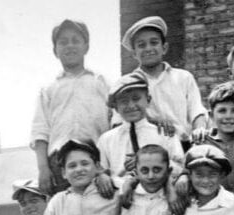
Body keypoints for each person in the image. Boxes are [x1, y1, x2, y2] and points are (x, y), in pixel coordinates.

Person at [30, 19, 111, 194]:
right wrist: (43, 169)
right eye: (63, 42)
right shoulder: (49, 90)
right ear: (55, 51)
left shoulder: (101, 82)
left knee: (100, 211)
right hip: (59, 164)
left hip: (96, 159)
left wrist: (106, 165)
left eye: (76, 40)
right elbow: (40, 132)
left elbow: (116, 122)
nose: (70, 46)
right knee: (65, 213)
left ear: (86, 47)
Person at [121, 15, 208, 144]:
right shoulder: (128, 84)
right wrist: (153, 122)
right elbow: (121, 120)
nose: (148, 48)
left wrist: (200, 129)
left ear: (164, 48)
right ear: (134, 53)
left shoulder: (183, 77)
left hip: (183, 145)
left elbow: (196, 109)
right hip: (146, 149)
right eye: (141, 45)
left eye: (154, 43)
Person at [95, 71, 186, 193]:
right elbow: (100, 170)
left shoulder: (163, 133)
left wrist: (151, 162)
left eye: (136, 99)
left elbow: (179, 167)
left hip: (159, 197)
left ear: (147, 100)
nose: (131, 106)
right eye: (124, 101)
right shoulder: (106, 139)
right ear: (116, 107)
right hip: (120, 198)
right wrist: (101, 176)